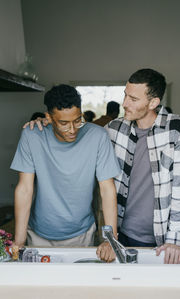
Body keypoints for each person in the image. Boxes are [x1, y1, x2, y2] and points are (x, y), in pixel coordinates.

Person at [11, 84, 121, 262]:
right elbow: (24, 189)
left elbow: (107, 190)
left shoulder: (98, 136)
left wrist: (111, 239)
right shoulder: (32, 135)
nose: (72, 129)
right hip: (38, 234)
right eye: (63, 123)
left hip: (82, 234)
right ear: (49, 117)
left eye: (78, 120)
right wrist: (19, 240)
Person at [104, 68, 180, 264]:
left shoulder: (176, 129)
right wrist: (46, 123)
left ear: (153, 103)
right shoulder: (113, 129)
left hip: (161, 238)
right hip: (120, 235)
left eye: (133, 99)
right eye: (125, 95)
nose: (124, 103)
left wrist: (175, 239)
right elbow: (76, 133)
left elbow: (178, 188)